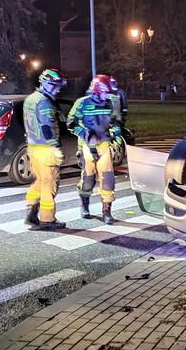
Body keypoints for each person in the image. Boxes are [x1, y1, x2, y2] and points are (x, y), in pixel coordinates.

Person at [67, 74, 116, 224]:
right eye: (105, 92)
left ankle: (106, 210)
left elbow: (113, 123)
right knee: (88, 178)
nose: (107, 95)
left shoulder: (108, 104)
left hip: (104, 144)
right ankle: (84, 204)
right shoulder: (82, 103)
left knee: (108, 178)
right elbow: (71, 123)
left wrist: (116, 135)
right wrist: (85, 133)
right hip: (87, 144)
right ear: (97, 90)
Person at [23, 68, 67, 231]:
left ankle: (31, 211)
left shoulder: (31, 99)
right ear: (45, 83)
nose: (58, 89)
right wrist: (55, 146)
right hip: (46, 149)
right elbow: (47, 126)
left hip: (33, 148)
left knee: (40, 181)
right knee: (50, 184)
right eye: (55, 85)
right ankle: (47, 220)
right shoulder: (45, 102)